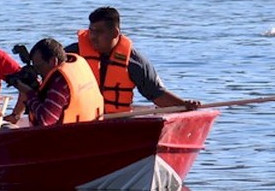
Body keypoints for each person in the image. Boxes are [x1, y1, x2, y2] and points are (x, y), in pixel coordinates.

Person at [64, 7, 200, 114]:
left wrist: (184, 105)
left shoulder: (135, 63)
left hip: (116, 120)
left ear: (115, 33)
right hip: (79, 118)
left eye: (99, 32)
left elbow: (156, 94)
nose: (93, 37)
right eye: (91, 31)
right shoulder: (72, 55)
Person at [11, 38, 103, 127]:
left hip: (66, 137)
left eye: (39, 67)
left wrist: (29, 93)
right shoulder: (78, 66)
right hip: (90, 127)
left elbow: (45, 120)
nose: (37, 72)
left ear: (53, 61)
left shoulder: (60, 82)